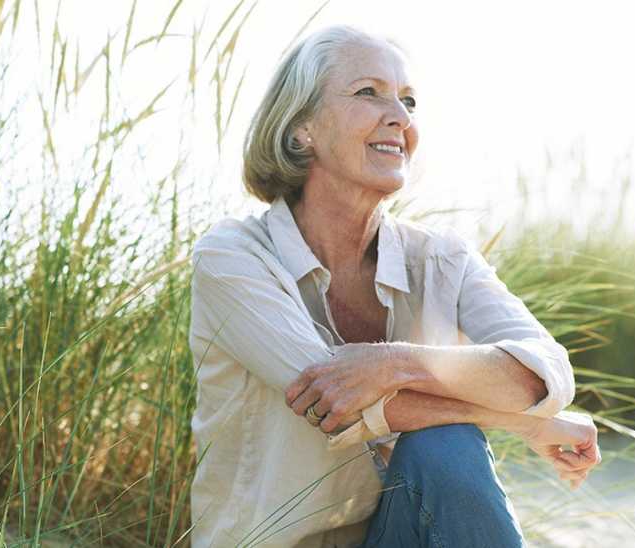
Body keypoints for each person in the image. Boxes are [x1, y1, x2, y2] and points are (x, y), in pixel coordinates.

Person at [188, 25, 601, 548]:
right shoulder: (233, 257)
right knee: (449, 435)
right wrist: (525, 424)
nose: (401, 118)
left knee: (446, 447)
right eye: (368, 93)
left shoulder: (442, 257)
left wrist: (394, 363)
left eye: (408, 101)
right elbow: (335, 404)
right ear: (300, 130)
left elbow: (543, 372)